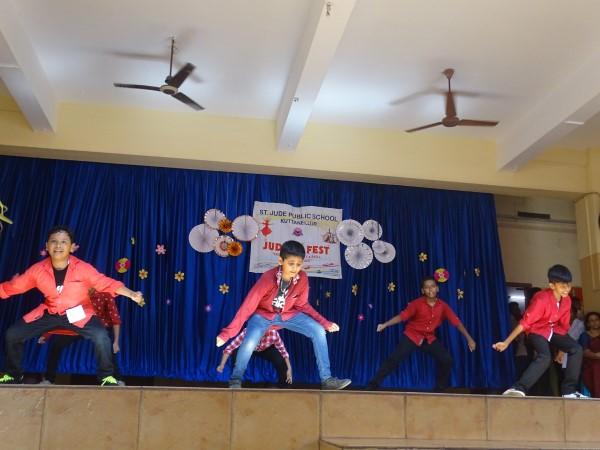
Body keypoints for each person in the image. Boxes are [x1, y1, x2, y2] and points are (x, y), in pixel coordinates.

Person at [0, 226, 144, 386]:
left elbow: (106, 283)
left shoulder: (83, 268)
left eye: (64, 242)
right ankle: (13, 375)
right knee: (13, 334)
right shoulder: (37, 270)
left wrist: (131, 294)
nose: (58, 245)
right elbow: (15, 286)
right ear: (47, 246)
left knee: (101, 337)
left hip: (79, 313)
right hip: (50, 311)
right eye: (54, 241)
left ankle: (106, 377)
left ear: (72, 247)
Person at [216, 240, 350, 390]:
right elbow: (248, 306)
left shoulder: (302, 278)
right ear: (281, 261)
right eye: (291, 264)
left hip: (288, 315)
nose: (295, 268)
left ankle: (327, 379)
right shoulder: (268, 278)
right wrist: (227, 333)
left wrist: (325, 323)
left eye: (298, 264)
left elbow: (302, 305)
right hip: (263, 316)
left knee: (318, 331)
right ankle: (235, 379)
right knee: (249, 342)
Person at [366, 276, 476, 391]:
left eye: (432, 286)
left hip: (428, 338)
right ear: (423, 291)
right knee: (394, 359)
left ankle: (440, 388)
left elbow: (456, 322)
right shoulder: (416, 304)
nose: (430, 289)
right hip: (412, 336)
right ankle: (373, 384)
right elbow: (402, 316)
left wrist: (469, 339)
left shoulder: (443, 306)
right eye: (427, 287)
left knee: (447, 360)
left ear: (437, 288)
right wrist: (385, 324)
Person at [493, 264, 587, 398]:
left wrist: (562, 349)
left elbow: (564, 326)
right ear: (552, 285)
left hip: (553, 329)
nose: (566, 289)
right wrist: (506, 342)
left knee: (576, 349)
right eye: (562, 286)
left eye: (568, 285)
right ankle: (518, 388)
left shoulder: (567, 300)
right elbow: (525, 323)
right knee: (545, 357)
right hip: (536, 330)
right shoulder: (541, 299)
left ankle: (569, 391)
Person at [38, 289, 124, 385]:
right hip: (79, 324)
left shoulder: (105, 295)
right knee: (57, 345)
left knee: (108, 348)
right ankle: (49, 379)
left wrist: (116, 342)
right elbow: (62, 315)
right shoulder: (78, 292)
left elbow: (115, 319)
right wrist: (47, 334)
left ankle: (117, 379)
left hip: (99, 327)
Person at [217, 327, 292, 388]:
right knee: (236, 352)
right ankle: (235, 382)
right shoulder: (247, 332)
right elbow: (230, 348)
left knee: (279, 358)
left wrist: (289, 368)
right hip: (249, 348)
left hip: (266, 349)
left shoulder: (273, 333)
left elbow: (284, 352)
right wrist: (222, 365)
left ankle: (284, 385)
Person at [579, 311, 600, 398]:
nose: (594, 322)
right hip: (591, 364)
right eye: (591, 320)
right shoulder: (584, 335)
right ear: (588, 324)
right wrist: (596, 356)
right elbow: (585, 352)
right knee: (596, 366)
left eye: (596, 319)